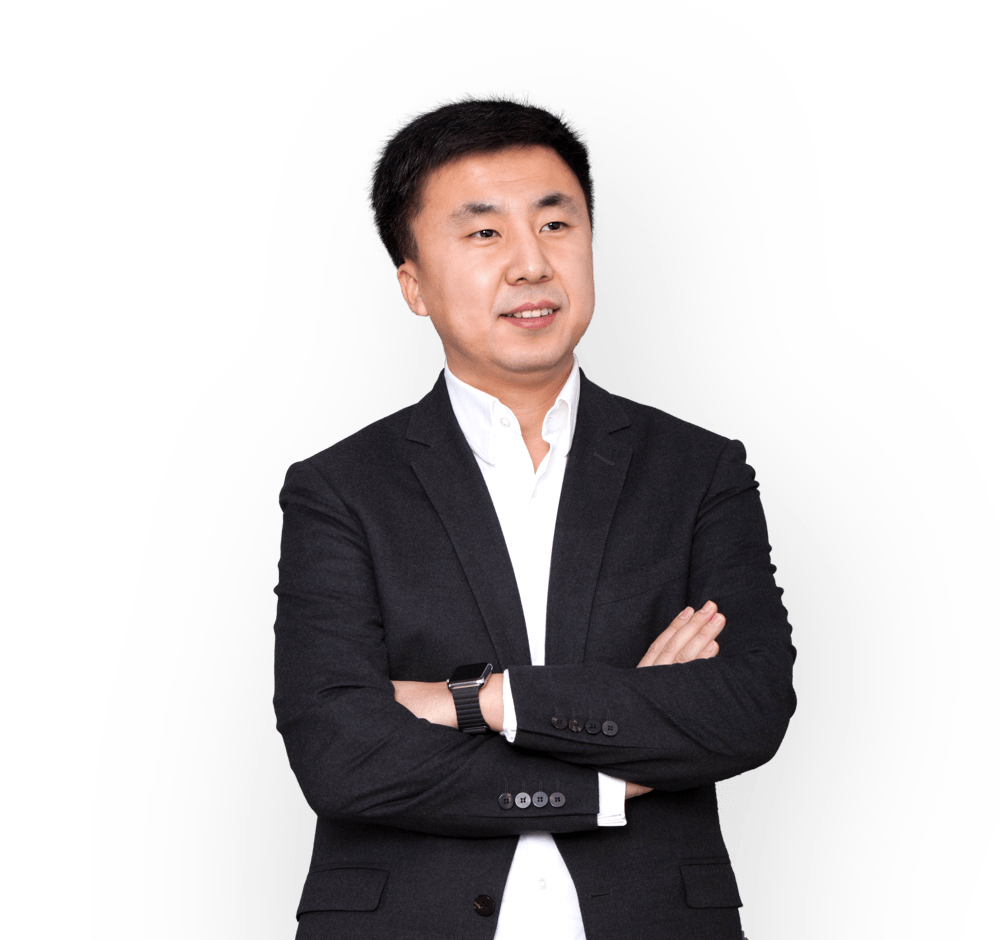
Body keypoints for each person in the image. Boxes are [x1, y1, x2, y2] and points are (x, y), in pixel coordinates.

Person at [272, 90, 797, 940]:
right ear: (413, 284)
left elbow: (747, 707)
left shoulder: (699, 469)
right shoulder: (338, 487)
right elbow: (340, 754)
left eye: (555, 224)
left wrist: (484, 700)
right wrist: (609, 773)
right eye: (484, 233)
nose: (530, 264)